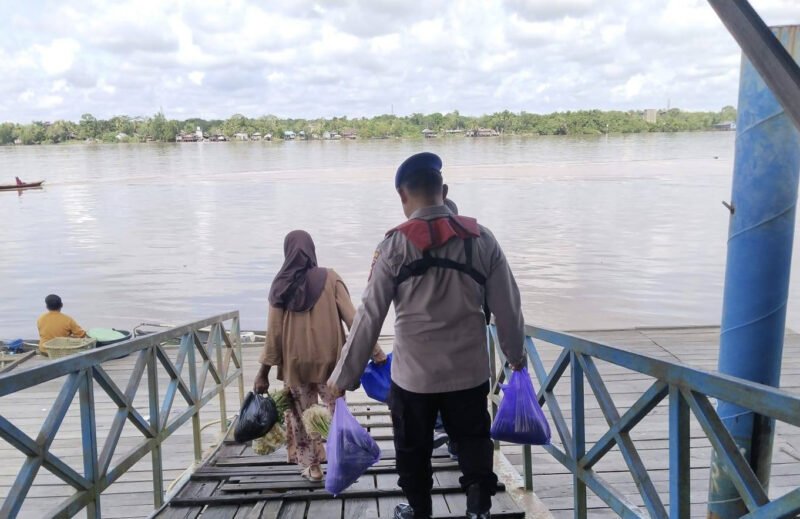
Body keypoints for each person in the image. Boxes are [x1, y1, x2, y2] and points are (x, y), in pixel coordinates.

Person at [328, 152, 525, 519]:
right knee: (472, 442)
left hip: (413, 379)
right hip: (468, 374)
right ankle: (478, 509)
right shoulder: (483, 240)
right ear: (444, 189)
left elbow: (368, 318)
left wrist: (343, 378)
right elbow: (509, 307)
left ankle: (419, 511)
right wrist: (515, 356)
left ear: (403, 196)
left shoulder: (392, 247)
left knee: (412, 449)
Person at [253, 230, 386, 482]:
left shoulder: (280, 284)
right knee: (336, 413)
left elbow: (274, 334)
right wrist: (376, 352)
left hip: (296, 366)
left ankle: (313, 468)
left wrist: (263, 373)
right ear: (311, 250)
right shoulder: (330, 278)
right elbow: (354, 320)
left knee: (304, 418)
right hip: (332, 363)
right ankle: (342, 460)